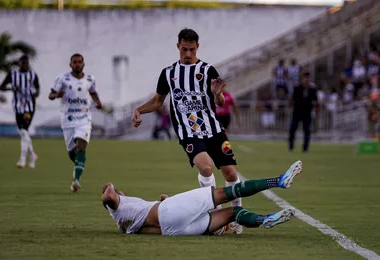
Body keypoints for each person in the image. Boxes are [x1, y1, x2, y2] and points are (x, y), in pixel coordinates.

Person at [131, 28, 245, 234]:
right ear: (178, 47)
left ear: (197, 47)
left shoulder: (208, 70)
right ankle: (216, 213)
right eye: (184, 49)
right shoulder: (168, 73)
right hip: (188, 132)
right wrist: (139, 110)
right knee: (206, 167)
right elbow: (158, 101)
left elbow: (219, 101)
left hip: (213, 129)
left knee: (230, 172)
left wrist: (217, 94)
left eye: (192, 50)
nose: (188, 54)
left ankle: (238, 216)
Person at [102, 160, 302, 235]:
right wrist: (110, 186)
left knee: (233, 213)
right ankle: (280, 181)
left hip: (172, 230)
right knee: (230, 192)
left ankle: (265, 220)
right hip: (168, 213)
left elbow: (154, 224)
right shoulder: (118, 208)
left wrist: (162, 204)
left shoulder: (124, 224)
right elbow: (109, 194)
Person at [49, 53, 103, 193]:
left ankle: (76, 181)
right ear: (70, 64)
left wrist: (97, 101)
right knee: (73, 154)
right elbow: (51, 95)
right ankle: (78, 168)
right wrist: (57, 95)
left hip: (84, 118)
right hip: (68, 119)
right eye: (75, 62)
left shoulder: (90, 79)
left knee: (81, 145)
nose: (77, 64)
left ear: (83, 64)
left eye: (79, 62)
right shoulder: (63, 79)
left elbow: (93, 92)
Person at [0, 55, 39, 169]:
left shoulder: (33, 75)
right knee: (23, 132)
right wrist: (12, 88)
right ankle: (32, 156)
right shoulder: (13, 75)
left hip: (29, 107)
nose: (25, 65)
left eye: (26, 63)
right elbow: (1, 87)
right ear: (19, 64)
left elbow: (38, 88)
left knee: (24, 129)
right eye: (22, 63)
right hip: (18, 106)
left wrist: (36, 94)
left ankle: (22, 159)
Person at [288, 72, 318, 153]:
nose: (306, 80)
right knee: (292, 129)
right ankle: (291, 147)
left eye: (308, 78)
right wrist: (289, 106)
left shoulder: (312, 89)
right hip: (297, 112)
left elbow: (315, 101)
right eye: (305, 78)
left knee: (307, 130)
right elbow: (292, 99)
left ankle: (305, 148)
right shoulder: (297, 88)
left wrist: (316, 111)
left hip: (307, 113)